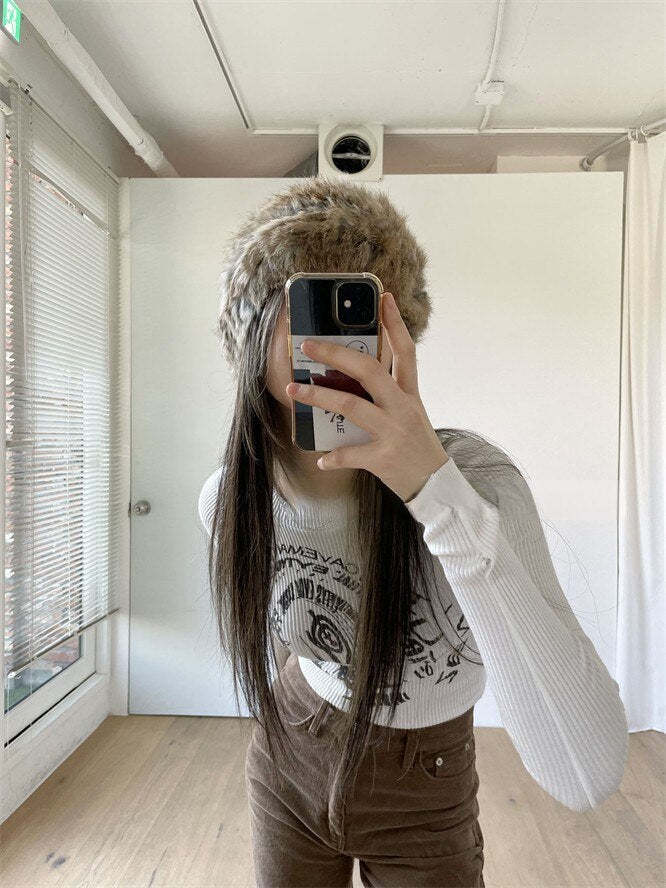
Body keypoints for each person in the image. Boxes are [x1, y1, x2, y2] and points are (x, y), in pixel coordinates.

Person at [198, 178, 628, 888]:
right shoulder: (230, 500)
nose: (329, 340)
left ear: (397, 329)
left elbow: (585, 774)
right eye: (304, 301)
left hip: (426, 778)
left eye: (358, 310)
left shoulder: (476, 483)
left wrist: (434, 489)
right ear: (248, 331)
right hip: (289, 754)